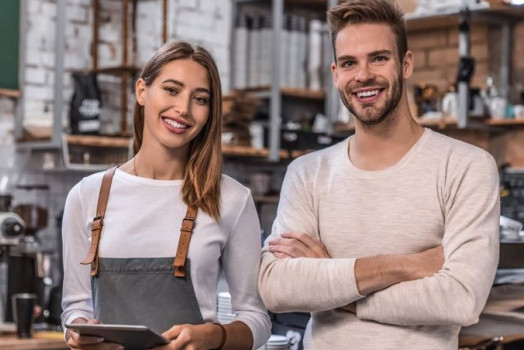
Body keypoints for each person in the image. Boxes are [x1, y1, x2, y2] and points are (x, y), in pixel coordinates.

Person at [258, 0, 499, 349]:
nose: (363, 75)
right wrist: (405, 265)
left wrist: (334, 280)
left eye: (379, 58)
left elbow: (460, 298)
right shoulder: (306, 173)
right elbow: (277, 287)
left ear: (406, 64)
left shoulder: (466, 167)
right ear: (335, 74)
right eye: (349, 63)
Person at [61, 41, 271, 350]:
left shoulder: (232, 200)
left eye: (199, 99)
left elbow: (257, 319)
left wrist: (215, 336)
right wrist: (78, 333)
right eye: (171, 90)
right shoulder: (86, 196)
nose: (184, 109)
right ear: (142, 91)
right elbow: (76, 308)